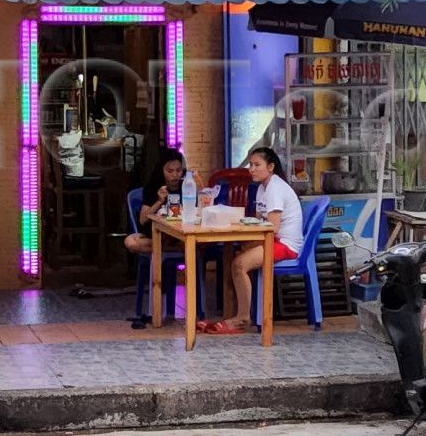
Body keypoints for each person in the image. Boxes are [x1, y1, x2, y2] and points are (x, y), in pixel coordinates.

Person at [205, 144, 303, 337]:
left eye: (257, 165)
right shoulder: (261, 188)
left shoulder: (275, 187)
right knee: (238, 253)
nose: (252, 169)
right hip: (271, 239)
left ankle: (242, 317)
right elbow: (258, 220)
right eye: (251, 165)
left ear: (271, 167)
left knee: (239, 263)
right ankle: (233, 311)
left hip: (285, 245)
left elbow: (272, 227)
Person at [124, 149, 191, 329]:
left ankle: (174, 249)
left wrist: (197, 190)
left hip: (180, 236)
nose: (175, 175)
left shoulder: (188, 186)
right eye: (170, 171)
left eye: (178, 170)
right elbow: (144, 219)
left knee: (198, 244)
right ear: (161, 170)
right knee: (130, 241)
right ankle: (173, 250)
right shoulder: (154, 187)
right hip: (155, 237)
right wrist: (159, 201)